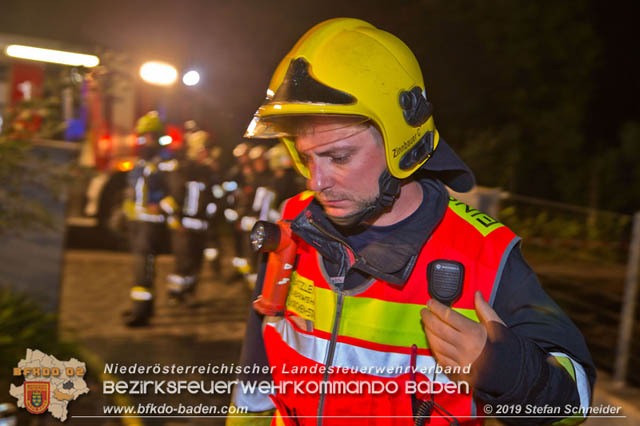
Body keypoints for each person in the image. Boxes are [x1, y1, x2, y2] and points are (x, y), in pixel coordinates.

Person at [229, 18, 595, 425]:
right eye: (307, 157)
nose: (317, 181)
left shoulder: (484, 253)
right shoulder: (295, 220)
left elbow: (575, 401)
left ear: (402, 138)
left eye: (339, 156)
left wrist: (505, 370)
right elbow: (258, 355)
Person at [160, 122, 217, 302]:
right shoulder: (183, 170)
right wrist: (176, 220)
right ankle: (175, 294)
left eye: (206, 150)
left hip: (200, 227)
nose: (205, 154)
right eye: (202, 150)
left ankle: (190, 292)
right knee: (183, 264)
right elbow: (170, 199)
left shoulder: (207, 172)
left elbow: (211, 199)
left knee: (196, 264)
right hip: (183, 226)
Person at [122, 111, 168, 327]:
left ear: (157, 136)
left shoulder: (164, 160)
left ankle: (141, 313)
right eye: (142, 136)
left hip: (150, 222)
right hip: (138, 221)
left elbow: (172, 187)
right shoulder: (143, 160)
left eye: (148, 135)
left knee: (143, 266)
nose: (144, 140)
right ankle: (142, 307)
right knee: (140, 265)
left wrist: (160, 203)